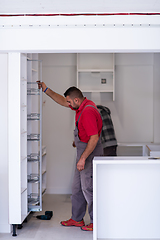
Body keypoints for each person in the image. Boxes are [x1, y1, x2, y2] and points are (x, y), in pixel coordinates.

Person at [37, 82, 103, 231]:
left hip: (90, 153)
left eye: (69, 102)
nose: (67, 104)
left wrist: (83, 157)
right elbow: (61, 100)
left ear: (76, 100)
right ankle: (77, 219)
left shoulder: (87, 111)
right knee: (77, 187)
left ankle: (96, 222)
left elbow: (93, 138)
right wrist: (46, 89)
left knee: (89, 188)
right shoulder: (81, 105)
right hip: (83, 149)